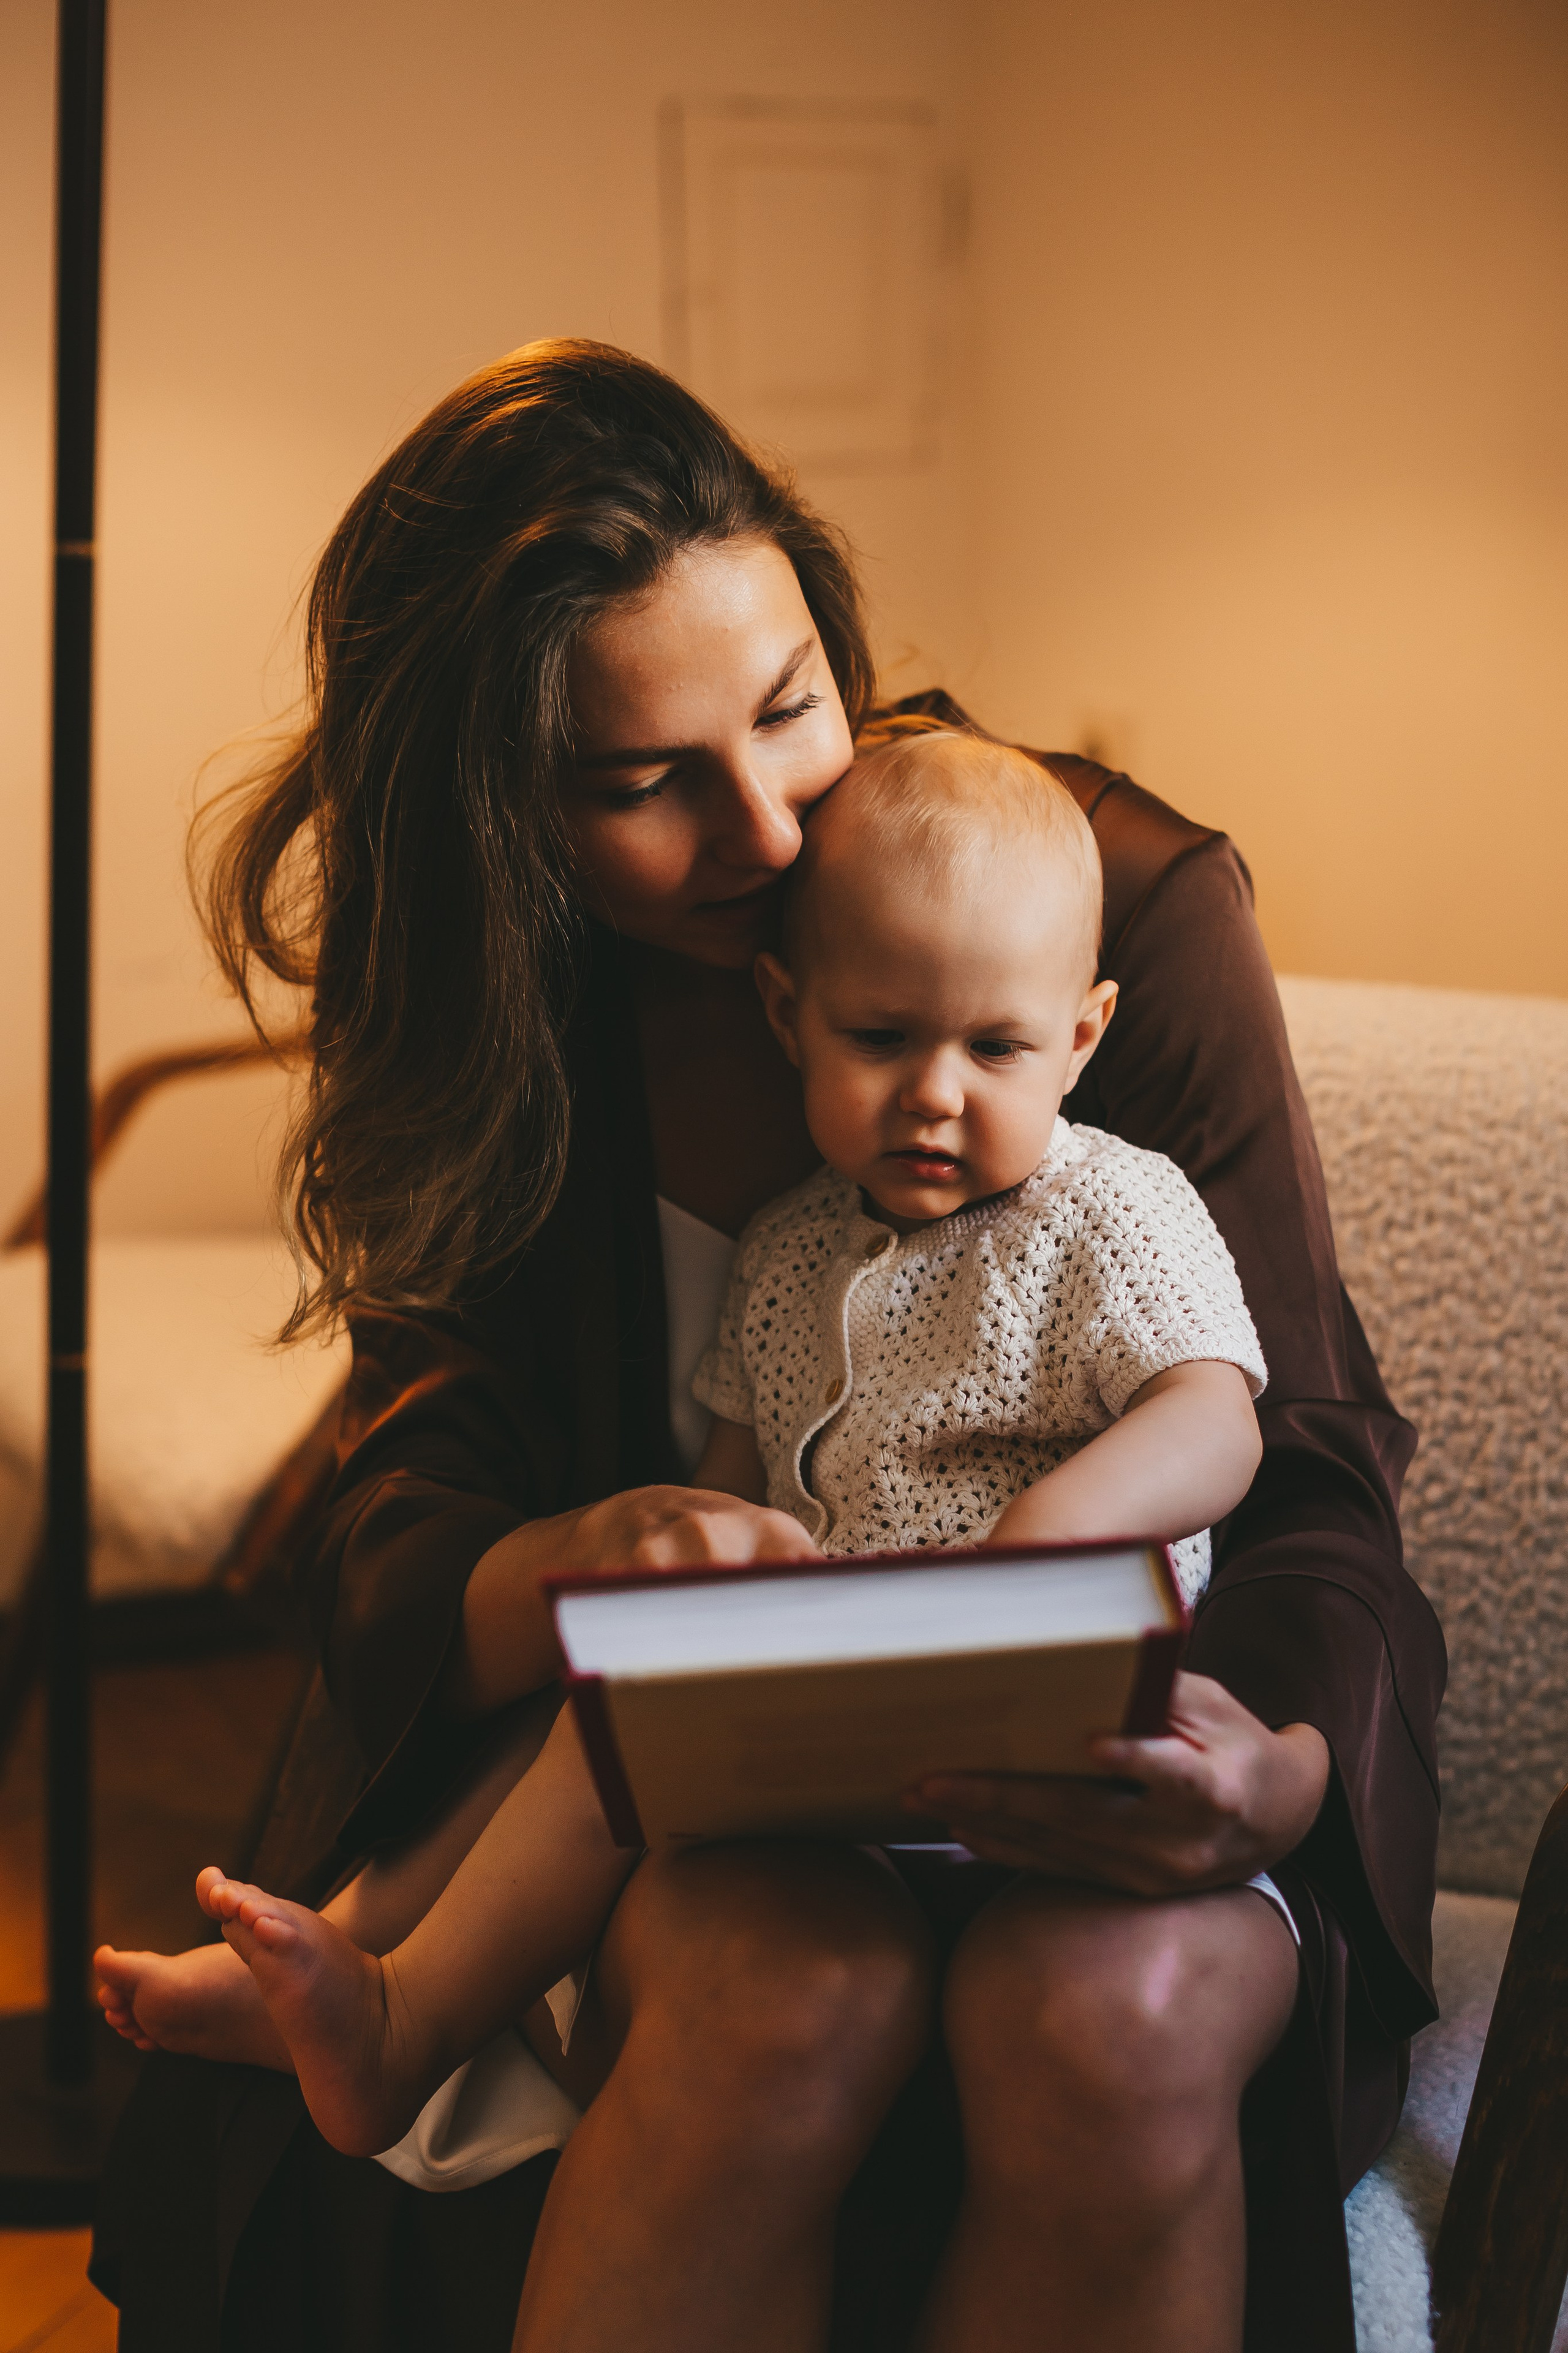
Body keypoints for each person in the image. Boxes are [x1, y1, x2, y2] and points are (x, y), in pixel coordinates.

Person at [89, 339, 1444, 2353]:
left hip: (1128, 1745)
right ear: (499, 818)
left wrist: (1277, 1773)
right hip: (738, 1787)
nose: (767, 823)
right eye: (641, 783)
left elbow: (1295, 1457)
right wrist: (597, 1553)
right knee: (766, 1989)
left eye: (792, 706)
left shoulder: (1105, 911)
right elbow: (402, 1520)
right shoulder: (503, 1006)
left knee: (1108, 2009)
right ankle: (385, 1993)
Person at [99, 727, 1273, 2171]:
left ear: (1080, 1036)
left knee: (635, 1713)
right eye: (880, 1037)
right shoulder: (788, 1253)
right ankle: (385, 1996)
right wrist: (692, 1585)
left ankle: (391, 1997)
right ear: (786, 1013)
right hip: (842, 1744)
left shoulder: (1107, 1212)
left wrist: (1051, 1537)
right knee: (601, 1704)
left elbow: (1215, 1417)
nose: (934, 1093)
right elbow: (736, 1465)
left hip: (1055, 1712)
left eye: (995, 1047)